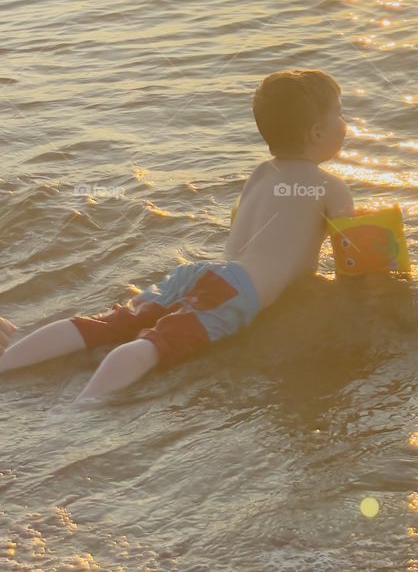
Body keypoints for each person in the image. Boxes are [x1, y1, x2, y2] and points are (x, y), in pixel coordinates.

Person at [0, 69, 354, 402]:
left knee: (109, 324)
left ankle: (7, 362)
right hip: (238, 291)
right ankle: (83, 406)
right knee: (155, 345)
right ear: (316, 133)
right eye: (339, 114)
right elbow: (352, 260)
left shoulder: (261, 174)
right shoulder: (330, 187)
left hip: (203, 272)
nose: (345, 122)